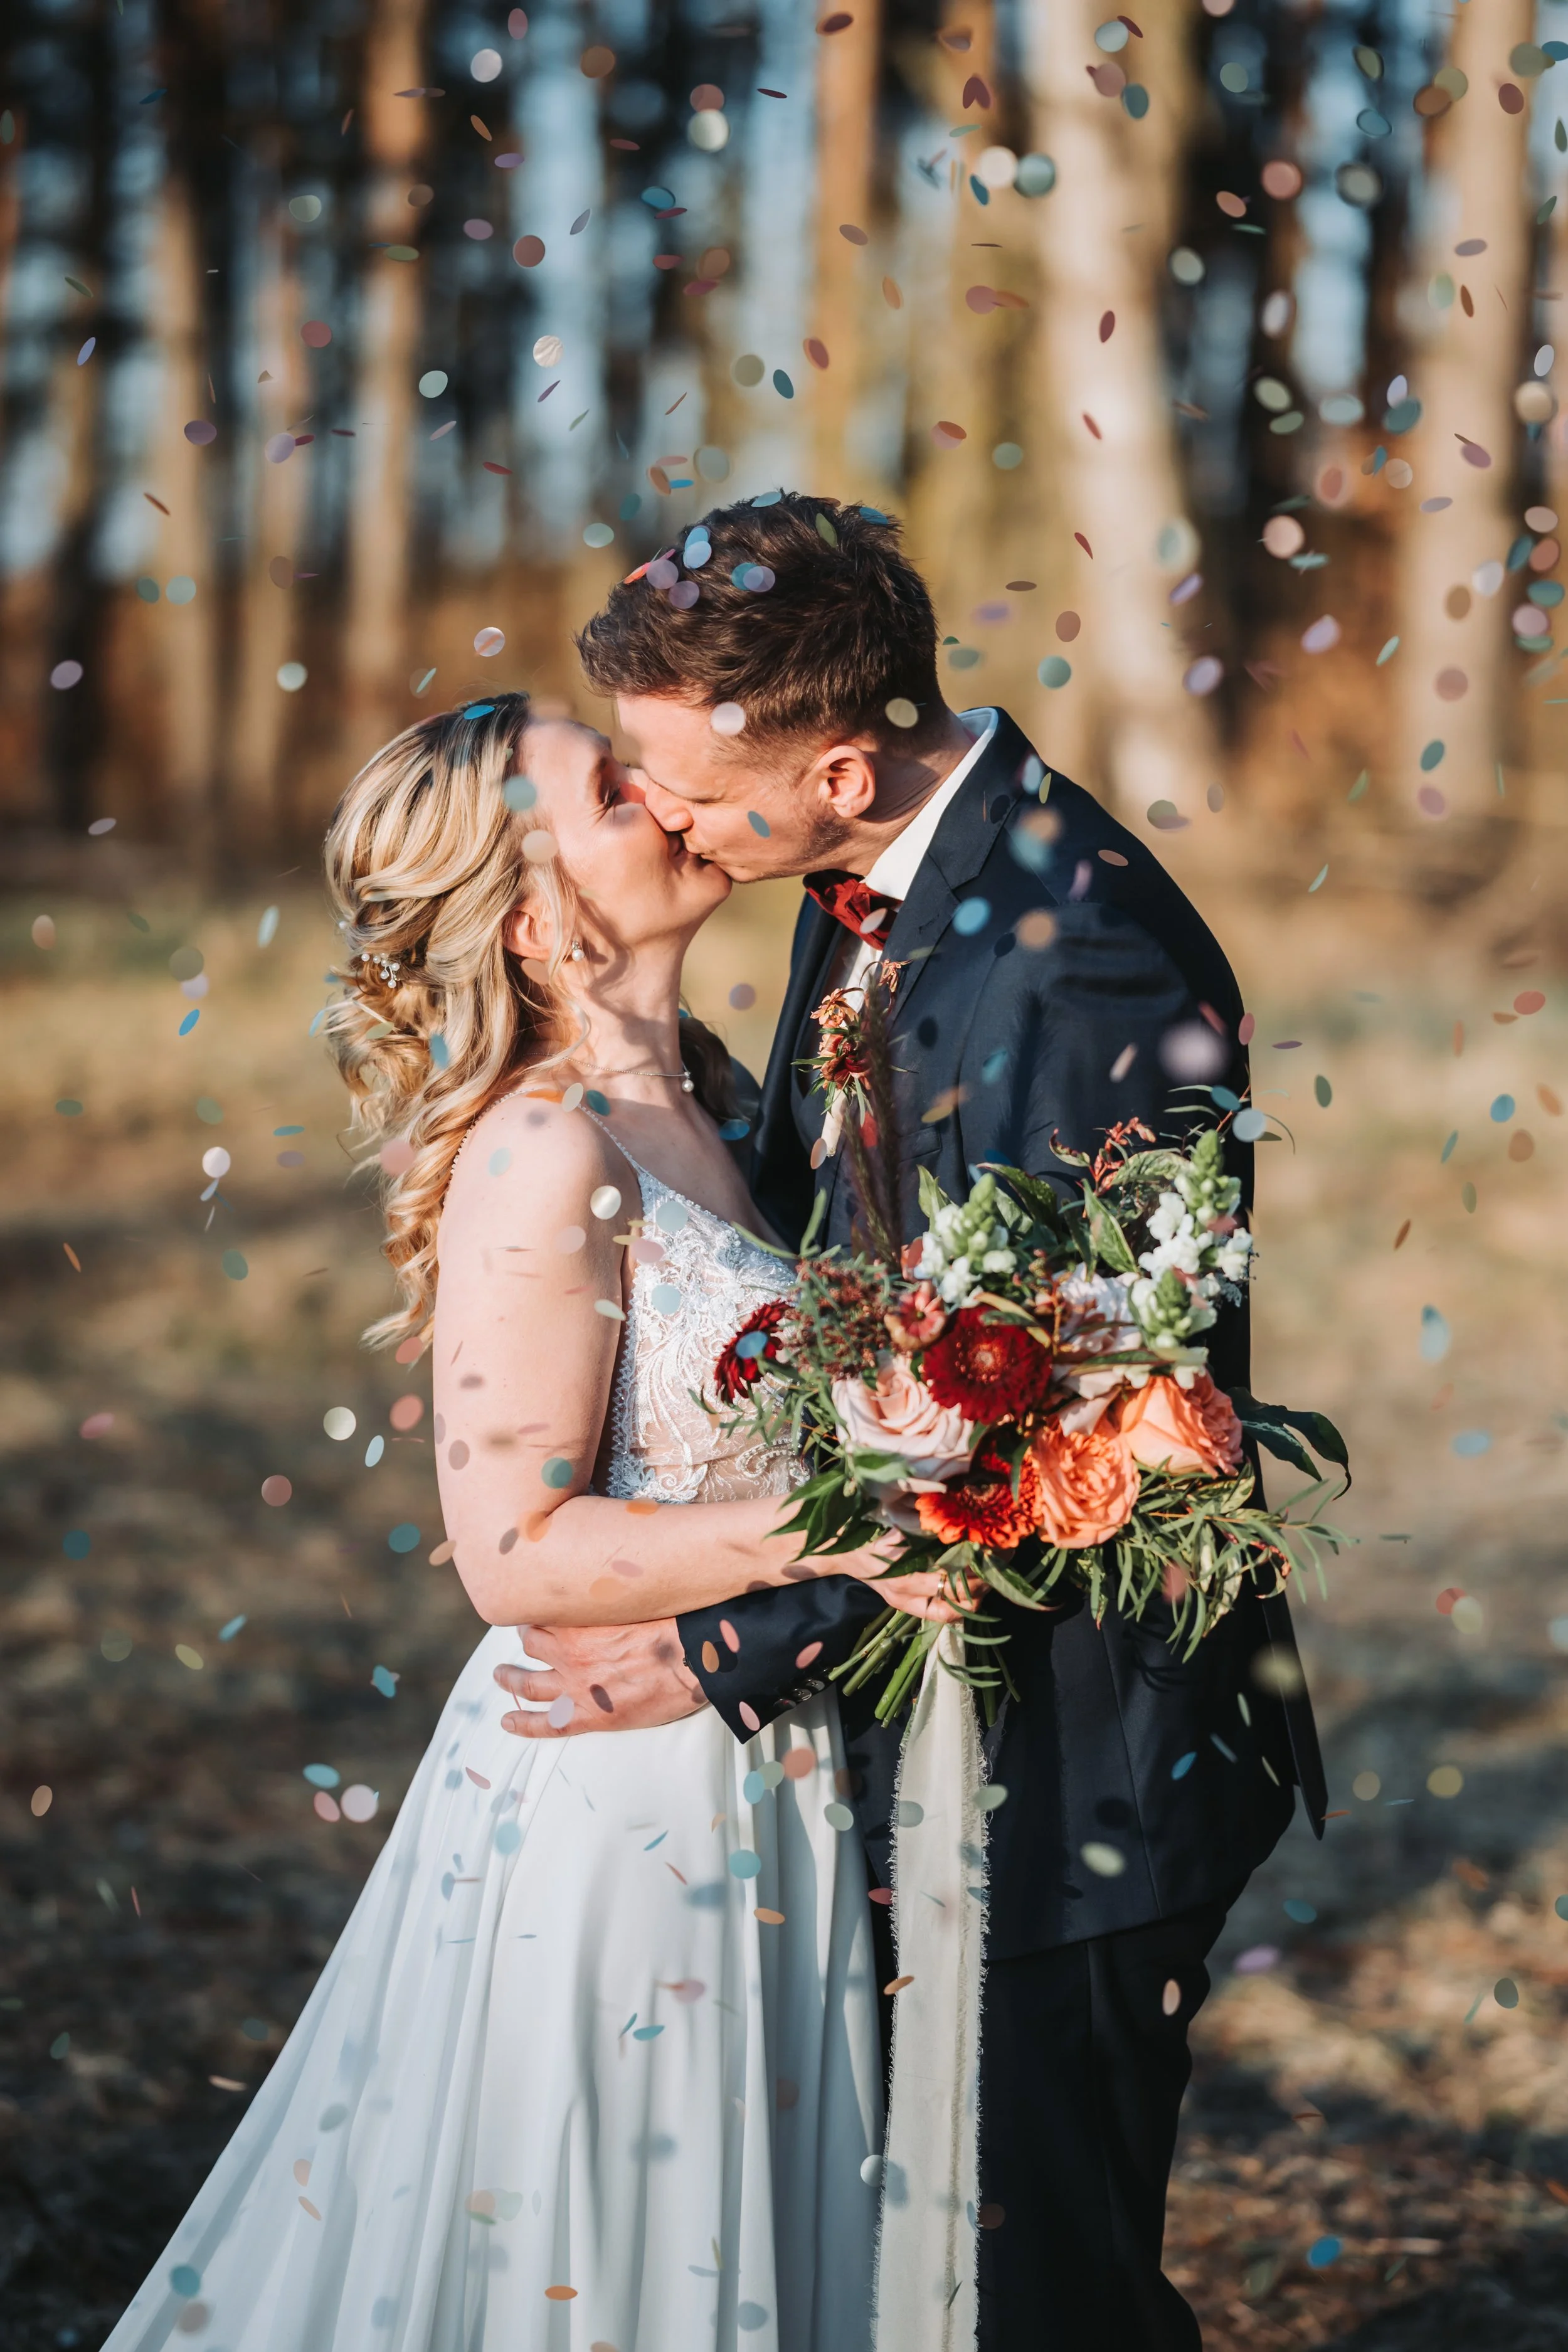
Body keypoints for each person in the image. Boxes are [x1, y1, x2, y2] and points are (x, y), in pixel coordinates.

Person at [495, 494, 1329, 2351]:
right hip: (919, 1692)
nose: (666, 818)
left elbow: (1074, 1398)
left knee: (1041, 2291)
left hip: (1073, 1747)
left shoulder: (1074, 952)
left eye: (684, 786)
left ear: (842, 763)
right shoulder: (874, 885)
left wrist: (731, 1635)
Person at [101, 692, 963, 2352]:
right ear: (526, 906)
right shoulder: (541, 1155)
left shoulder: (718, 1109)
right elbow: (511, 1549)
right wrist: (853, 1521)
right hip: (616, 1807)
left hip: (761, 1759)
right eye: (611, 788)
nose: (667, 796)